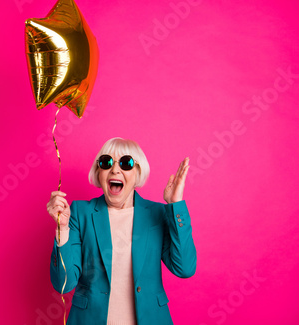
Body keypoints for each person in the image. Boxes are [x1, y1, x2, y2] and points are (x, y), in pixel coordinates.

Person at [47, 137, 196, 325]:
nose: (115, 169)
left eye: (126, 163)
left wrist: (175, 206)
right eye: (106, 162)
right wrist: (62, 228)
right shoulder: (79, 212)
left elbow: (184, 268)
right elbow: (63, 284)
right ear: (99, 172)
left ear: (138, 173)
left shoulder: (157, 214)